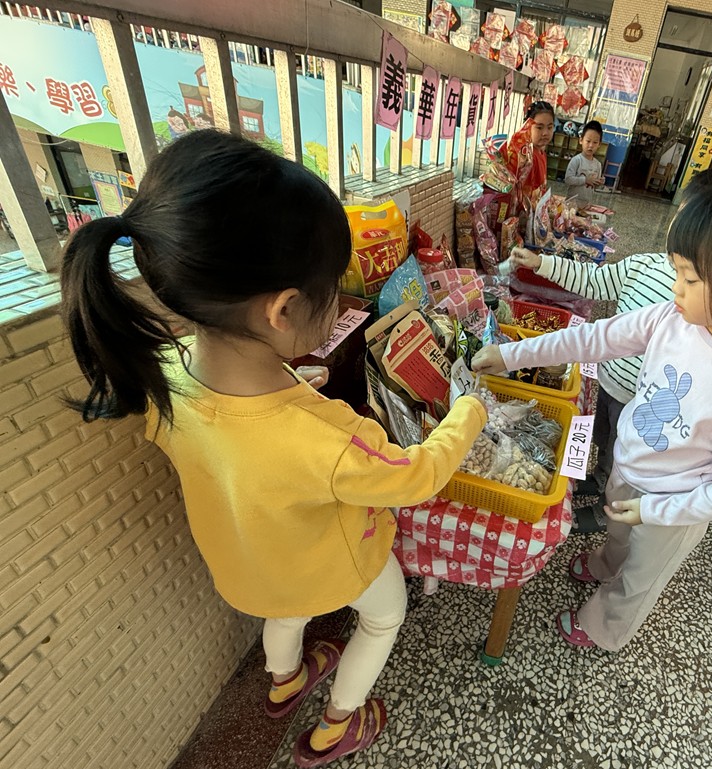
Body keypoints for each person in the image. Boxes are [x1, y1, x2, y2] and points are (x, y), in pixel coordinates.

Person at [60, 130, 487, 767]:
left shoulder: (163, 373)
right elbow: (416, 475)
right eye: (332, 288)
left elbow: (245, 427)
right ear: (283, 309)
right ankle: (337, 723)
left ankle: (285, 682)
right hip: (333, 567)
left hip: (247, 572)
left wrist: (290, 386)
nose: (338, 300)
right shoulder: (329, 438)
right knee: (383, 618)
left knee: (284, 617)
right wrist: (469, 412)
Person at [473, 175, 712, 651]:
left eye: (690, 279)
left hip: (676, 508)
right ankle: (605, 563)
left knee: (640, 577)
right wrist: (510, 354)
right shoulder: (672, 319)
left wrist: (656, 510)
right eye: (676, 272)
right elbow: (594, 338)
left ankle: (604, 627)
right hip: (629, 466)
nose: (676, 289)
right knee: (618, 534)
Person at [506, 167, 712, 533]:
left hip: (645, 404)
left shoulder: (709, 300)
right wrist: (542, 263)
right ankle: (600, 476)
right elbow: (592, 281)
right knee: (603, 439)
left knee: (626, 455)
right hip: (609, 382)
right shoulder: (642, 264)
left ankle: (609, 507)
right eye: (680, 217)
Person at [500, 100, 556, 209]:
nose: (545, 133)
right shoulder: (525, 156)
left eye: (549, 127)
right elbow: (524, 194)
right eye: (539, 127)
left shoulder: (541, 152)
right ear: (527, 126)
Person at [564, 120, 605, 205]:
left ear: (599, 144)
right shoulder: (576, 160)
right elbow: (568, 179)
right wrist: (585, 180)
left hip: (587, 204)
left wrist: (600, 182)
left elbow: (594, 186)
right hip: (571, 204)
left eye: (595, 142)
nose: (591, 145)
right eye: (588, 141)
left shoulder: (598, 165)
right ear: (581, 140)